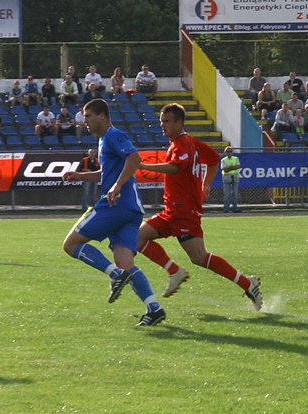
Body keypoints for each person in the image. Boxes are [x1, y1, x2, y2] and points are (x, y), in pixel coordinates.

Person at [135, 103, 262, 312]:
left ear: (179, 122)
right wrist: (206, 183)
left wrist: (144, 166)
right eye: (161, 121)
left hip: (183, 211)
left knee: (199, 257)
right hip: (172, 210)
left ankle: (248, 284)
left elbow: (176, 168)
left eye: (166, 121)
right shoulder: (188, 142)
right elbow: (213, 159)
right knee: (136, 237)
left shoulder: (182, 144)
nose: (162, 125)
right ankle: (174, 271)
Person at [60, 98, 165, 327]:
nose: (84, 121)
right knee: (126, 263)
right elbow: (106, 173)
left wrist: (116, 187)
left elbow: (135, 158)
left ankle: (114, 274)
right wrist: (80, 176)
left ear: (102, 116)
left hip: (115, 204)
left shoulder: (112, 135)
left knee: (70, 245)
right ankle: (153, 307)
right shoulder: (104, 141)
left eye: (88, 116)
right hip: (131, 209)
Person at [220, 146, 241, 213]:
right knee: (227, 194)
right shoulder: (223, 160)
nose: (229, 153)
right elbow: (224, 169)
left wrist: (229, 167)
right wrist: (233, 167)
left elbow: (238, 166)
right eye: (227, 152)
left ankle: (235, 208)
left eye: (230, 151)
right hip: (226, 178)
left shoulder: (236, 158)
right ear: (225, 152)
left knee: (235, 193)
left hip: (235, 177)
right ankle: (226, 208)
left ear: (232, 152)